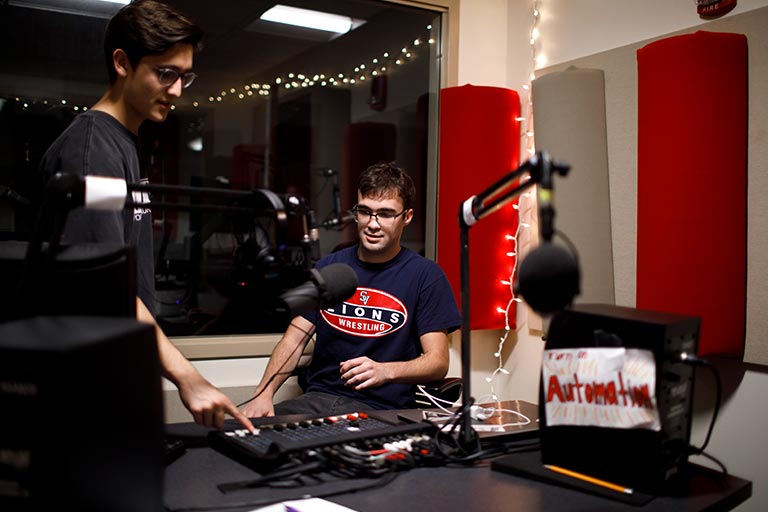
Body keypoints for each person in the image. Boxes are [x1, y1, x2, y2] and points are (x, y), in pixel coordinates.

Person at [38, 0, 254, 432]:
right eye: (165, 73)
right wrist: (188, 377)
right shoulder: (92, 148)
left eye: (184, 75)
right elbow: (102, 288)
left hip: (116, 371)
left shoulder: (123, 146)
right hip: (83, 383)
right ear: (122, 63)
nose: (177, 90)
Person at [241, 162, 461, 417]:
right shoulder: (330, 267)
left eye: (386, 214)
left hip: (382, 412)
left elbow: (438, 362)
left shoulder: (425, 275)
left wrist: (385, 370)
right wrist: (262, 395)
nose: (373, 224)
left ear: (407, 217)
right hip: (316, 403)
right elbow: (294, 339)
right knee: (232, 433)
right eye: (365, 211)